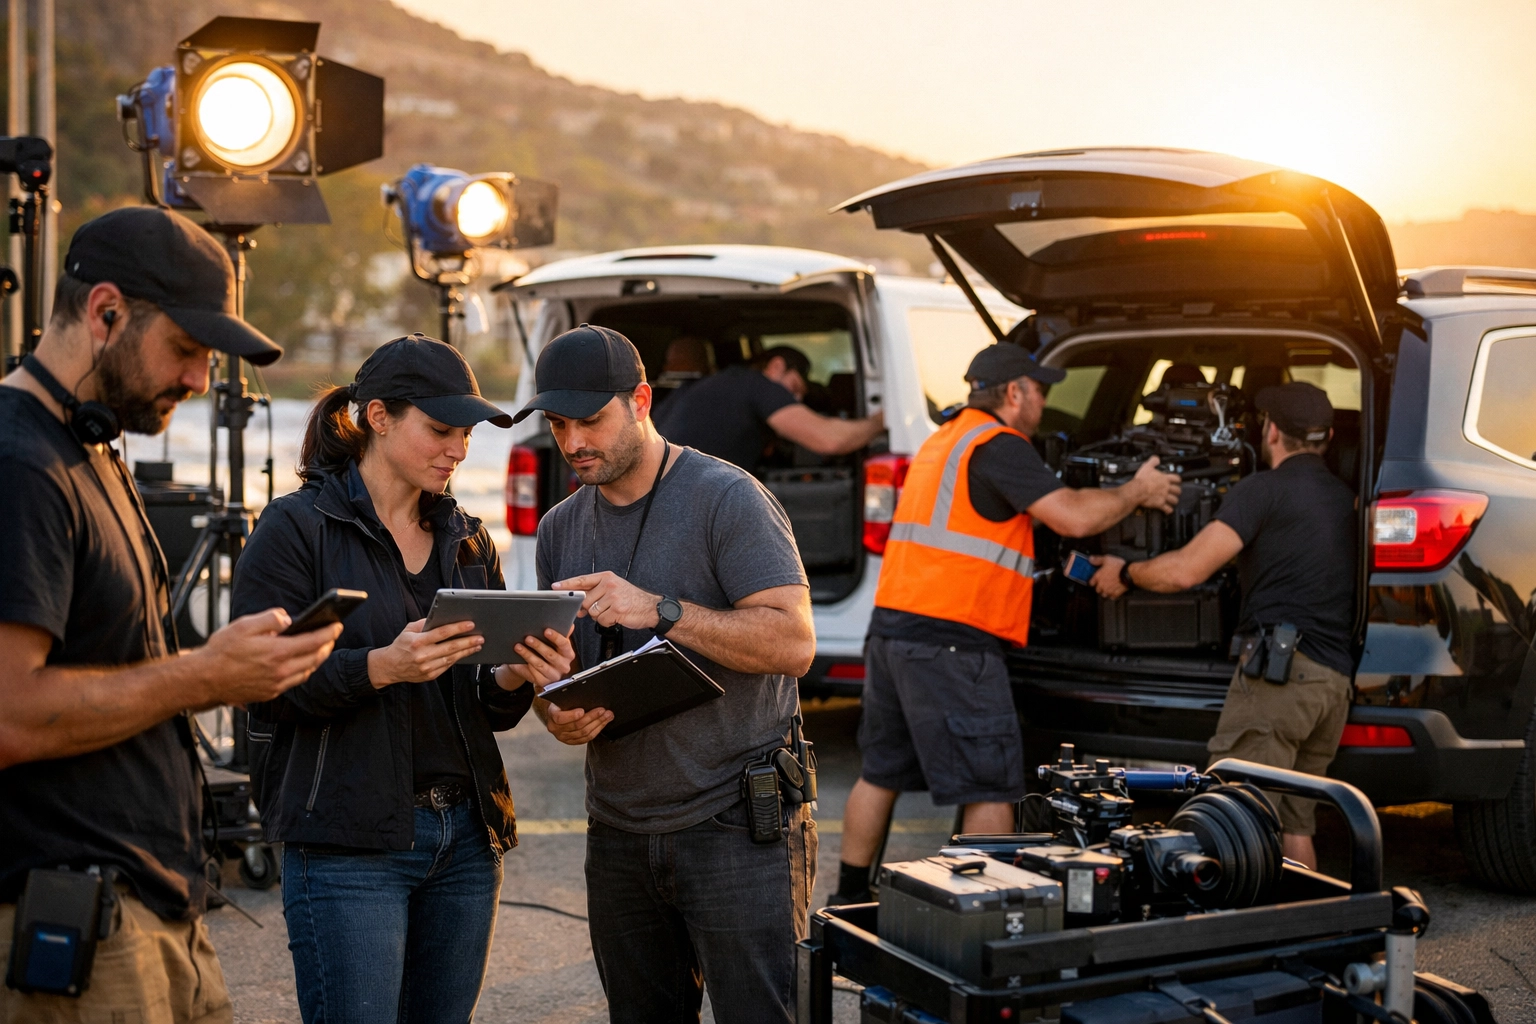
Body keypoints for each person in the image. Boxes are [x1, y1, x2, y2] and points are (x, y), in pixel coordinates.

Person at [0, 206, 341, 1024]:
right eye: (186, 350)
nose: (198, 380)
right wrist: (206, 674)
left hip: (154, 912)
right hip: (82, 924)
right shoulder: (20, 465)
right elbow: (10, 714)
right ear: (105, 312)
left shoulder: (91, 448)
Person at [229, 334, 576, 1024]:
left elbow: (484, 709)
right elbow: (256, 683)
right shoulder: (296, 528)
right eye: (441, 430)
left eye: (467, 434)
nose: (458, 449)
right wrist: (380, 667)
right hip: (346, 844)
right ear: (378, 417)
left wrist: (513, 677)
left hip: (468, 843)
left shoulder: (468, 537)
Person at [514, 323, 816, 1023]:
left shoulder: (727, 497)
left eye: (591, 420)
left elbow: (794, 644)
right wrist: (553, 713)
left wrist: (662, 610)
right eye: (558, 425)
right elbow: (553, 680)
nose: (572, 442)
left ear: (642, 400)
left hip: (737, 825)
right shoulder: (560, 527)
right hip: (617, 831)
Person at [832, 343, 1183, 905]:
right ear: (1014, 393)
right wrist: (1137, 491)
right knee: (991, 783)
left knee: (880, 773)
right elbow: (1070, 513)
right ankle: (980, 910)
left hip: (893, 633)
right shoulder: (999, 446)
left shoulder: (941, 441)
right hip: (953, 643)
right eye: (1040, 391)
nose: (1044, 402)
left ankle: (849, 902)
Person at [1089, 382, 1356, 870]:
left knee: (1237, 817)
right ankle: (1302, 928)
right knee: (1296, 822)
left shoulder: (1262, 491)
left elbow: (1185, 571)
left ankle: (1241, 934)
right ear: (1328, 436)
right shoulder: (1346, 498)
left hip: (1281, 680)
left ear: (1271, 431)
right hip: (1332, 685)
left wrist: (1124, 573)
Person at [654, 343, 883, 472]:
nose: (795, 400)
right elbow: (831, 439)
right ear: (776, 366)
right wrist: (880, 420)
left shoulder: (700, 388)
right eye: (794, 388)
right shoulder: (757, 385)